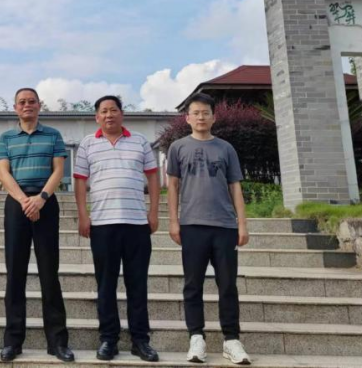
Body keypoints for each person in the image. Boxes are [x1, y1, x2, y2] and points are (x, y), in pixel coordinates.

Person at [74, 95, 161, 362]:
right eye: (104, 111)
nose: (109, 115)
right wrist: (83, 215)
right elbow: (80, 182)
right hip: (102, 224)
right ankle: (108, 339)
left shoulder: (140, 141)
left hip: (137, 224)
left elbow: (153, 177)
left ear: (122, 114)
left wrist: (154, 211)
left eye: (113, 110)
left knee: (138, 284)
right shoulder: (87, 144)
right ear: (96, 117)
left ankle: (140, 341)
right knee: (105, 285)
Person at [166, 93, 251, 365]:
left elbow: (235, 187)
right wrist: (173, 221)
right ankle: (196, 337)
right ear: (187, 118)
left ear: (213, 117)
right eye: (196, 113)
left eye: (206, 113)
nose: (201, 117)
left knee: (227, 284)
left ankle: (231, 339)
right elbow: (172, 186)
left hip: (224, 226)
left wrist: (242, 224)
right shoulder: (178, 147)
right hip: (192, 225)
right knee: (193, 284)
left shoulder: (226, 149)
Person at [0, 87, 74, 363]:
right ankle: (12, 341)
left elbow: (58, 170)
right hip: (16, 205)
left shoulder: (53, 135)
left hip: (46, 204)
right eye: (22, 102)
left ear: (39, 105)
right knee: (15, 274)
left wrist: (40, 199)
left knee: (49, 273)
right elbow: (3, 173)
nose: (27, 105)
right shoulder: (6, 138)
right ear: (15, 108)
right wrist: (23, 200)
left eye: (32, 101)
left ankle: (57, 342)